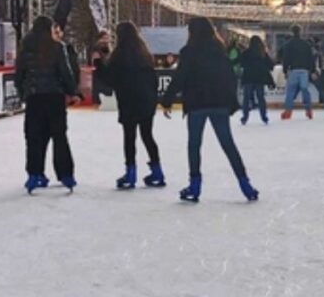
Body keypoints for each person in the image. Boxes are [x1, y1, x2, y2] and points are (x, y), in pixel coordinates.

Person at [162, 17, 259, 202]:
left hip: (197, 104)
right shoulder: (219, 51)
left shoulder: (189, 52)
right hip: (218, 103)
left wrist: (167, 100)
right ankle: (245, 184)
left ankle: (194, 186)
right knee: (228, 144)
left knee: (194, 145)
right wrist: (230, 102)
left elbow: (180, 78)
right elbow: (229, 77)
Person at [15, 16, 82, 194]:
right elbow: (65, 72)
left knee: (34, 137)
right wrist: (73, 91)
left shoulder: (25, 49)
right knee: (59, 136)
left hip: (34, 97)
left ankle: (34, 174)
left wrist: (24, 93)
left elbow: (18, 75)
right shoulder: (57, 47)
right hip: (54, 98)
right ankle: (66, 174)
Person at [94, 21, 164, 190]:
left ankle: (131, 174)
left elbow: (109, 79)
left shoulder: (119, 55)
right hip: (146, 101)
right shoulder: (145, 54)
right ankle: (157, 171)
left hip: (129, 101)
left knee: (129, 137)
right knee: (147, 136)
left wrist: (98, 62)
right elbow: (153, 79)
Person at [281, 25, 315, 120]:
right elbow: (310, 58)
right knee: (305, 90)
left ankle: (288, 111)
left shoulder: (288, 44)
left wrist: (285, 70)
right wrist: (312, 70)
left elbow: (286, 58)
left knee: (290, 92)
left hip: (293, 70)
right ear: (300, 32)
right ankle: (309, 111)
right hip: (304, 70)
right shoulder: (306, 44)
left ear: (291, 32)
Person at [239, 36, 275, 125]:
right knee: (261, 98)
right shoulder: (262, 53)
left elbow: (241, 64)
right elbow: (271, 65)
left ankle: (245, 117)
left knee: (246, 98)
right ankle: (264, 117)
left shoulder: (246, 53)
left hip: (248, 78)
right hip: (260, 79)